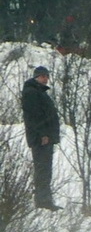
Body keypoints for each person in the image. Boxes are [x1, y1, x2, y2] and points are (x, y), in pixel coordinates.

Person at [21, 66, 61, 209]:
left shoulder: (38, 92)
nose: (45, 78)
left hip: (46, 137)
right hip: (41, 139)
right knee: (42, 170)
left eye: (47, 76)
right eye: (43, 76)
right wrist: (43, 134)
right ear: (36, 77)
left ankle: (45, 200)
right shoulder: (32, 93)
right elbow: (35, 117)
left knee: (45, 170)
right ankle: (43, 202)